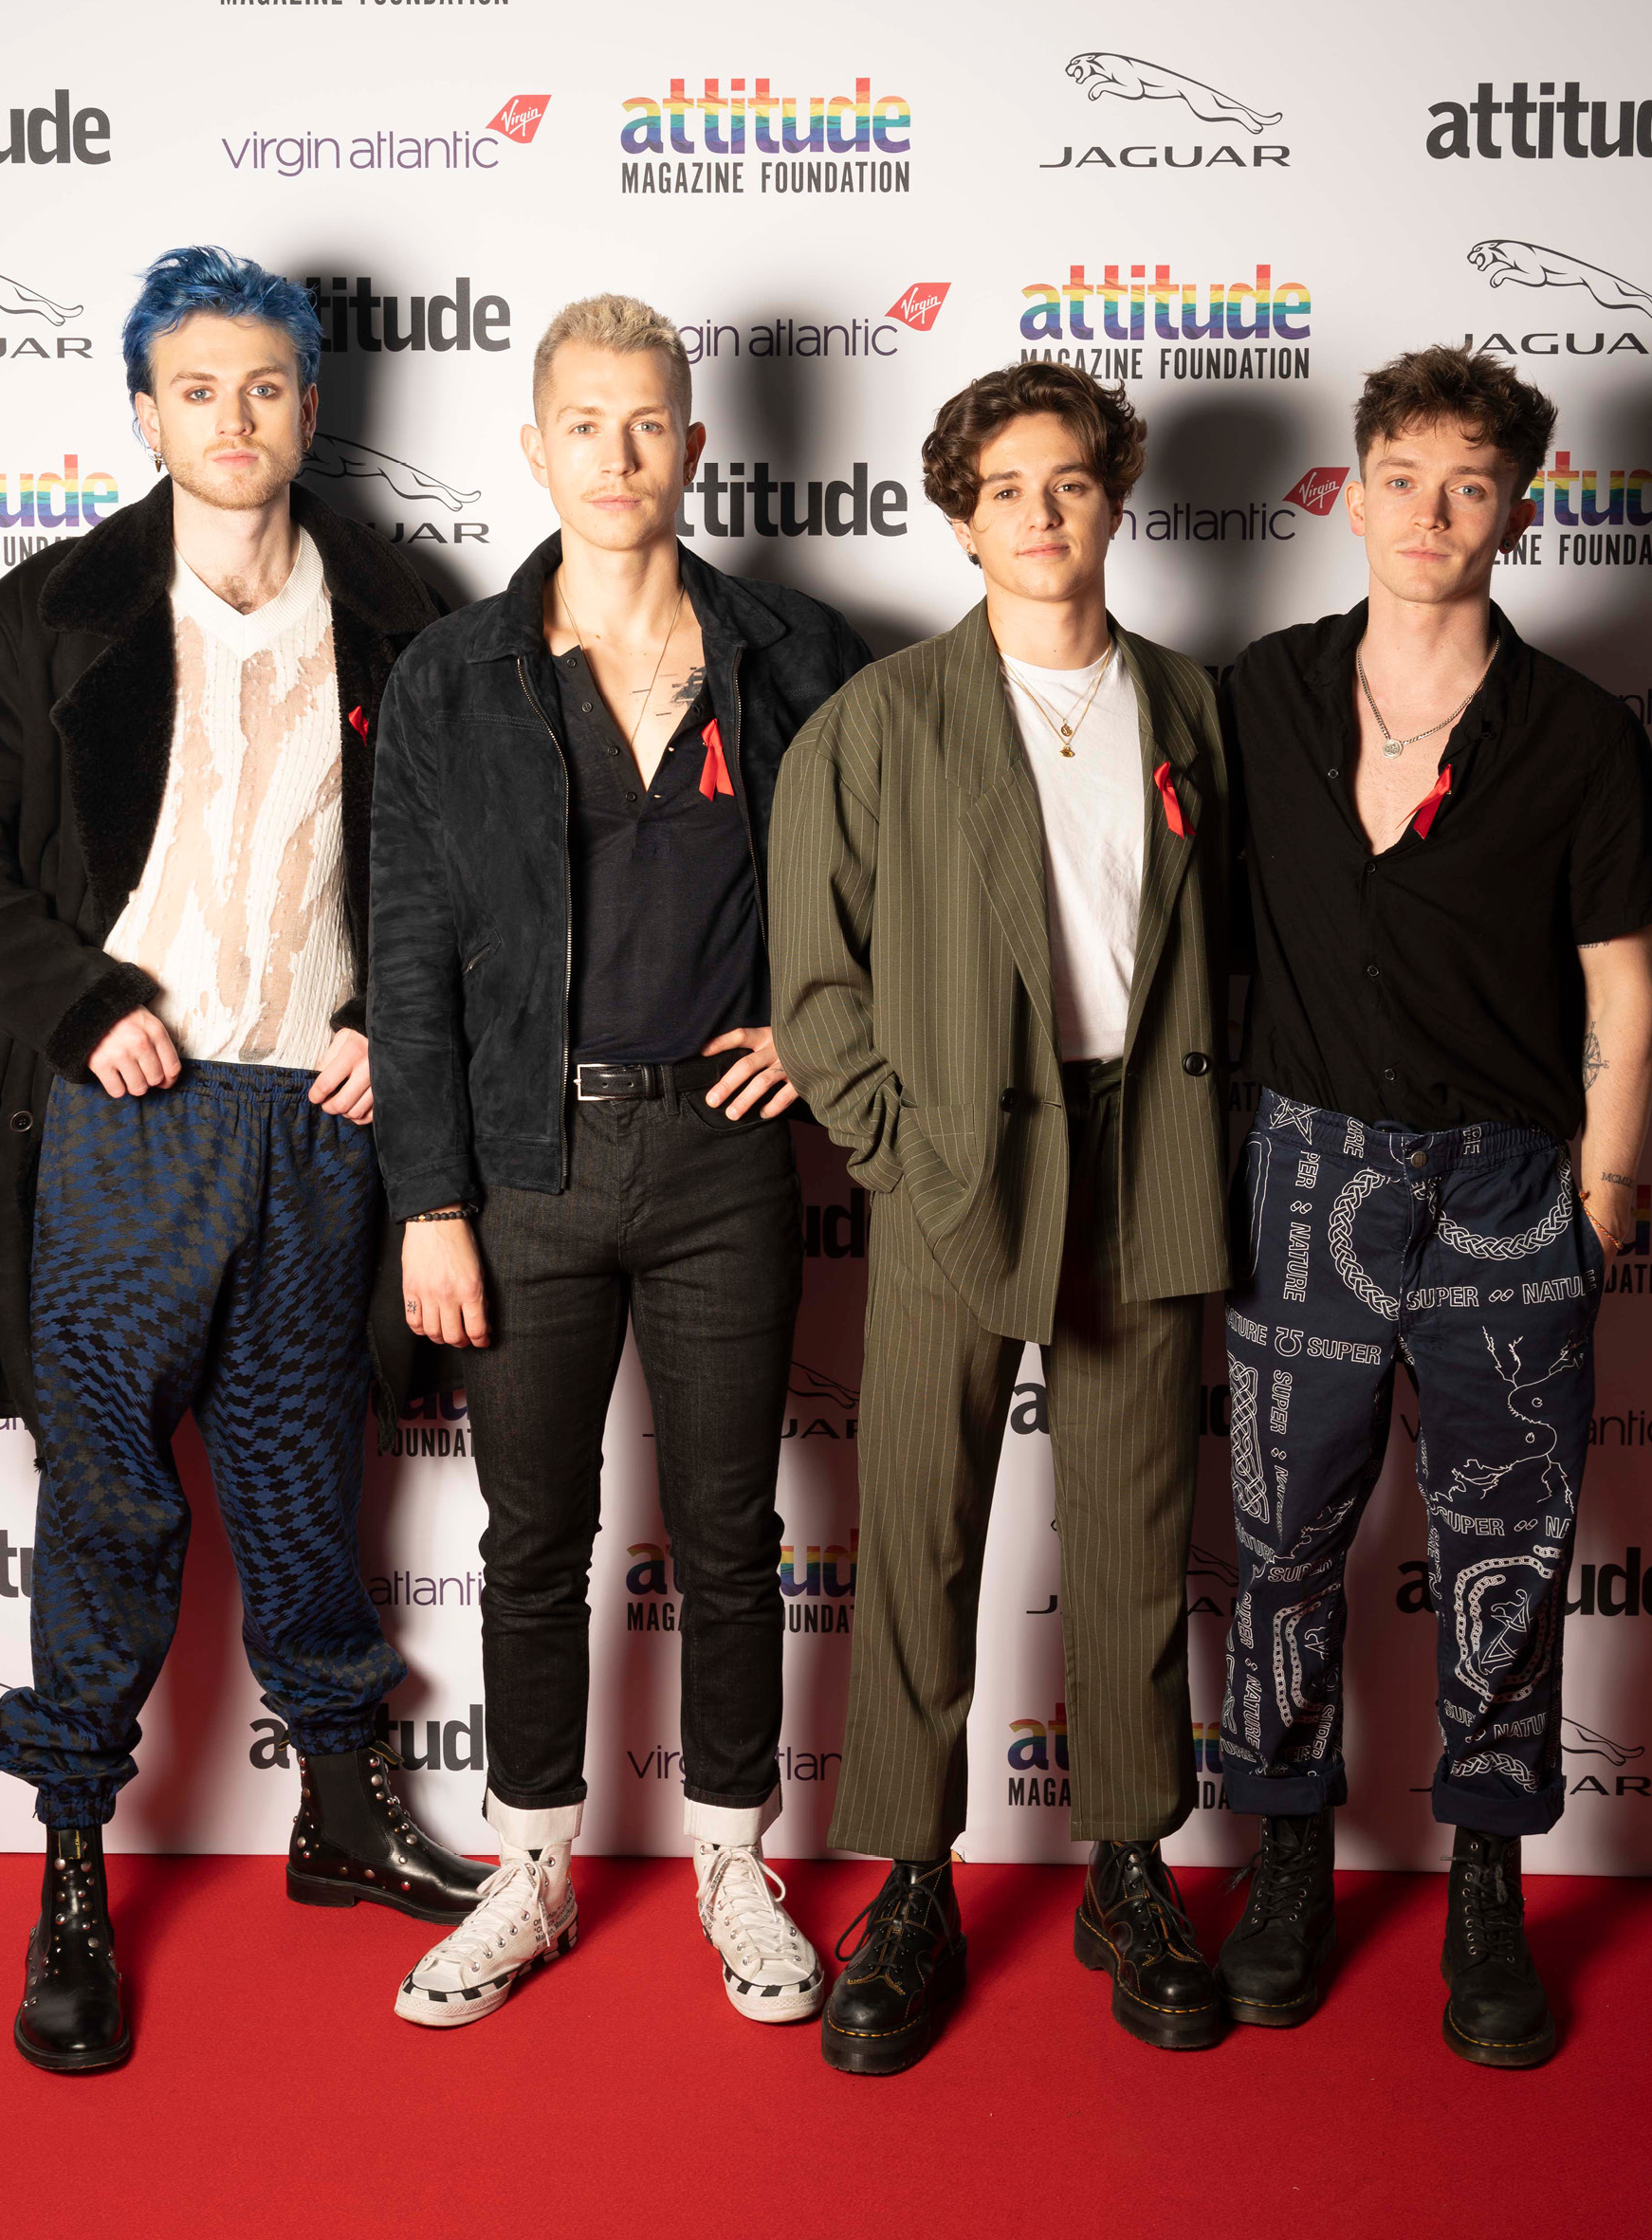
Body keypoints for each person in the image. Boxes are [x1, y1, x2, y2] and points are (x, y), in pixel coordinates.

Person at [0, 246, 489, 2076]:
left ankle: (342, 1811)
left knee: (305, 1483)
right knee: (112, 1506)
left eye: (266, 386)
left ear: (310, 405)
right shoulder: (52, 609)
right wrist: (75, 1000)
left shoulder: (404, 612)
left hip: (315, 1122)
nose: (234, 419)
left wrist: (392, 1018)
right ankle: (71, 1870)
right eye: (198, 390)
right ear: (145, 414)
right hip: (123, 1123)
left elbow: (472, 870)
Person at [368, 293, 870, 2031]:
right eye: (583, 423)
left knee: (732, 1529)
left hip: (723, 1157)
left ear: (695, 444)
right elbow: (409, 952)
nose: (617, 453)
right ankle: (530, 1864)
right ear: (534, 446)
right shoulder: (452, 673)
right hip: (526, 1160)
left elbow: (891, 882)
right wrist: (429, 1199)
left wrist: (823, 1028)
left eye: (648, 421)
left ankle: (734, 1855)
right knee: (531, 1536)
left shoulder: (795, 653)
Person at [770, 360, 1234, 2070]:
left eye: (1069, 482)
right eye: (1005, 489)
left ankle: (1127, 1863)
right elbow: (815, 986)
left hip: (1145, 1149)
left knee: (1133, 1532)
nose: (1040, 515)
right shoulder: (879, 719)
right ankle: (911, 1880)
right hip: (957, 1158)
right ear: (959, 520)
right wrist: (902, 1151)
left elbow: (1239, 951)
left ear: (1115, 499)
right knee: (918, 1531)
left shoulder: (1191, 707)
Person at [1216, 344, 1652, 2066]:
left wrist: (1599, 1199)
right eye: (1401, 476)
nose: (1429, 512)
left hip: (1507, 1188)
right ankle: (1284, 1857)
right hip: (1301, 1177)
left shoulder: (1581, 736)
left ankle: (1485, 1878)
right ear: (1353, 490)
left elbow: (1623, 985)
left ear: (1516, 512)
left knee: (1507, 1555)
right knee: (1278, 1546)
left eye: (1469, 484)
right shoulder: (1262, 693)